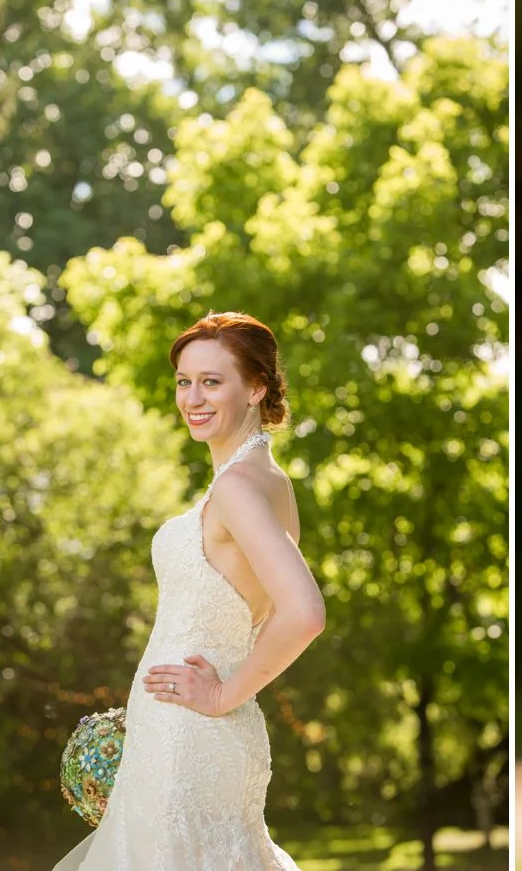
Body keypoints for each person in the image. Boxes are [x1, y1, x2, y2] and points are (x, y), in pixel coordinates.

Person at [55, 313, 323, 871]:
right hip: (195, 735)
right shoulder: (269, 481)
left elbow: (304, 613)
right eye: (184, 381)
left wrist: (222, 695)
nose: (192, 398)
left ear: (256, 387)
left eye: (212, 381)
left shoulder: (238, 488)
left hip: (190, 738)